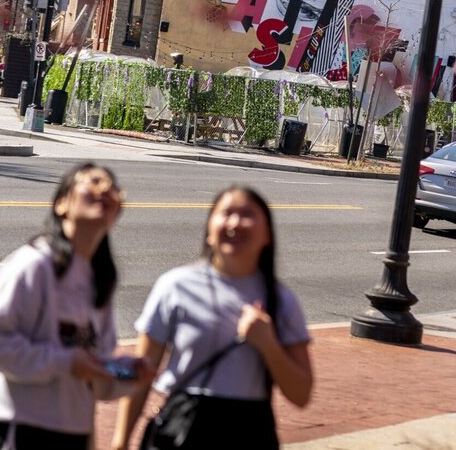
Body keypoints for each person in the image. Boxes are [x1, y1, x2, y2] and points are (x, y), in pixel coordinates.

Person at [113, 186, 313, 450]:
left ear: (267, 235)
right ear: (209, 230)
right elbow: (142, 373)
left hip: (249, 431)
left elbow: (300, 395)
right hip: (183, 427)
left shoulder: (281, 300)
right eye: (226, 213)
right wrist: (121, 441)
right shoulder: (175, 286)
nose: (235, 222)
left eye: (247, 214)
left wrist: (268, 344)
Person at [0, 163, 149, 450]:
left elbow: (94, 375)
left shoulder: (98, 280)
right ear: (62, 203)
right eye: (94, 182)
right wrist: (66, 362)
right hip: (18, 430)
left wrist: (128, 373)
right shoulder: (33, 264)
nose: (105, 189)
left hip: (72, 432)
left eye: (112, 187)